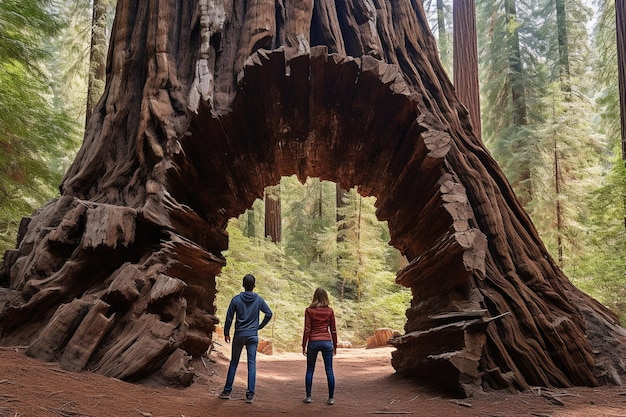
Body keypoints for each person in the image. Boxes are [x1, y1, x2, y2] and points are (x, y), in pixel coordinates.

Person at [219, 274, 273, 404]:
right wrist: (259, 326)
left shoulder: (236, 299)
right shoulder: (259, 300)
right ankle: (250, 395)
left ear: (243, 285)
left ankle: (227, 391)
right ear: (254, 286)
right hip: (253, 335)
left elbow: (229, 318)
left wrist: (226, 333)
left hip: (239, 335)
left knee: (234, 363)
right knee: (251, 364)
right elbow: (269, 314)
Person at [301, 287, 337, 405]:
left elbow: (307, 329)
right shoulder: (330, 311)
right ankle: (331, 398)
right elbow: (333, 330)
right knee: (329, 370)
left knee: (310, 369)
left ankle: (309, 397)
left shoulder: (309, 310)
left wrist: (304, 345)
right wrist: (335, 346)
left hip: (313, 341)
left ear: (314, 297)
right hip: (327, 342)